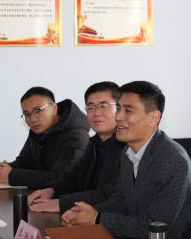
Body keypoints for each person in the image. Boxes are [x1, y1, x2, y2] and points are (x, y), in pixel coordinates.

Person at [62, 81, 191, 239]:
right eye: (118, 108)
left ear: (153, 118)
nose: (118, 117)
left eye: (128, 110)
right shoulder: (128, 152)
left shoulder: (173, 159)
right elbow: (122, 200)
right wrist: (83, 213)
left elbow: (156, 225)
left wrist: (97, 218)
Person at [28, 81, 125, 213]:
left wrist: (60, 203)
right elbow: (73, 176)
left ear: (119, 109)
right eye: (91, 107)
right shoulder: (94, 143)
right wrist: (51, 190)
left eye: (104, 105)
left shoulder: (129, 147)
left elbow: (112, 193)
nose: (96, 113)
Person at [0, 86, 90, 189]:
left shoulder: (76, 137)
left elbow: (61, 178)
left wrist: (11, 175)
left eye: (38, 110)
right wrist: (3, 169)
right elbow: (24, 163)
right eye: (27, 114)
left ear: (54, 109)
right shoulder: (38, 130)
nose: (32, 119)